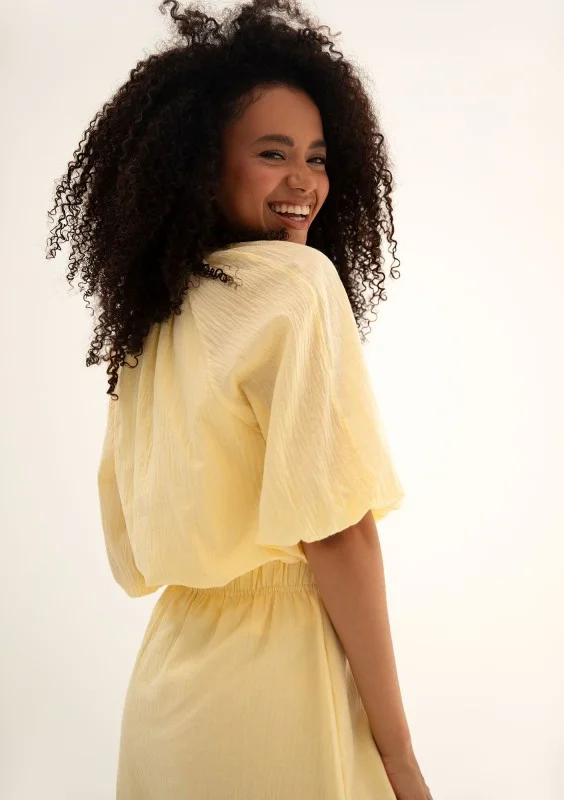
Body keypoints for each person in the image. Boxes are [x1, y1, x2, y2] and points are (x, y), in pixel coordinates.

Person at [45, 1, 433, 798]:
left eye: (317, 157)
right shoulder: (296, 285)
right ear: (201, 164)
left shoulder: (147, 323)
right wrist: (398, 755)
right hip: (280, 690)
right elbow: (339, 534)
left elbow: (131, 546)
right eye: (272, 153)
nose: (305, 182)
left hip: (169, 688)